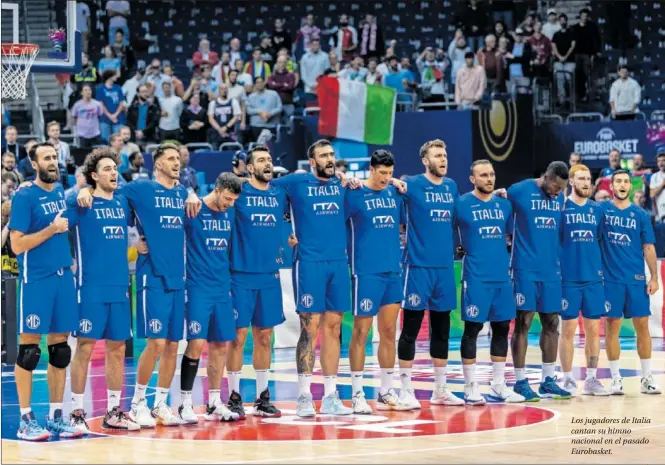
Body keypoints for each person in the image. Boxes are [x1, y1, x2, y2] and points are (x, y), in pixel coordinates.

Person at [77, 143, 202, 427]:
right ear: (157, 164)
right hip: (152, 274)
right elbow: (104, 194)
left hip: (178, 276)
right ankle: (138, 402)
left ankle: (160, 403)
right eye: (170, 159)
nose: (176, 163)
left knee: (173, 344)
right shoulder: (139, 188)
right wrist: (84, 188)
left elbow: (194, 200)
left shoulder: (184, 193)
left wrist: (193, 192)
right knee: (155, 342)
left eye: (178, 159)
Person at [272, 139, 353, 416]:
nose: (330, 159)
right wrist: (286, 237)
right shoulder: (295, 183)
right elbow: (262, 194)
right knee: (310, 328)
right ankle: (304, 396)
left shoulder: (341, 185)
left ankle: (331, 396)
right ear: (312, 161)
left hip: (338, 263)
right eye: (324, 156)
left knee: (334, 328)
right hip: (308, 262)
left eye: (332, 154)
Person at [8, 142, 81, 441]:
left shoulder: (62, 190)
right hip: (36, 280)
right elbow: (16, 245)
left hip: (64, 278)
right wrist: (52, 229)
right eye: (47, 158)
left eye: (55, 157)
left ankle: (55, 417)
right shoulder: (25, 195)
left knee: (60, 348)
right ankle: (26, 419)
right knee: (28, 350)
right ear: (34, 165)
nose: (53, 162)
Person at [67, 148, 139, 433]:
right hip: (91, 288)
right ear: (94, 175)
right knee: (84, 347)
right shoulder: (82, 201)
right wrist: (78, 192)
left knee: (118, 349)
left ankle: (113, 411)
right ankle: (75, 413)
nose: (113, 173)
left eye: (115, 169)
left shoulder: (122, 202)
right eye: (107, 169)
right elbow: (60, 210)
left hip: (120, 287)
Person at [165, 172, 242, 423]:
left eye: (233, 200)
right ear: (217, 189)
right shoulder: (193, 209)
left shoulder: (230, 211)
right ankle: (185, 403)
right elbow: (163, 225)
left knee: (220, 345)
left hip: (222, 287)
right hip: (197, 286)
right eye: (228, 198)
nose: (230, 204)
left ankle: (213, 402)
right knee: (196, 343)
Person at [398, 139, 464, 409]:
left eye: (445, 154)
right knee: (411, 329)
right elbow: (391, 187)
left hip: (445, 269)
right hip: (417, 267)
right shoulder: (411, 184)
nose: (443, 159)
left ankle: (440, 390)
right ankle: (405, 389)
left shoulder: (451, 187)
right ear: (426, 161)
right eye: (438, 155)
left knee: (442, 330)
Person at [344, 150, 409, 413]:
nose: (386, 177)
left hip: (392, 272)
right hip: (365, 272)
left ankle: (386, 391)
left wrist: (396, 182)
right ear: (371, 169)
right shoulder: (355, 193)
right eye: (382, 172)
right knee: (361, 332)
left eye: (390, 173)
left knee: (389, 332)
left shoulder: (394, 193)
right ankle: (358, 393)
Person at [456, 160, 524, 404]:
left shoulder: (504, 205)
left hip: (501, 278)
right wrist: (456, 247)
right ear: (472, 179)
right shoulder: (461, 203)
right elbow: (443, 229)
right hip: (475, 277)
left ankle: (498, 384)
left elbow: (507, 236)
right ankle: (470, 386)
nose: (489, 178)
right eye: (483, 175)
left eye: (492, 174)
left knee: (502, 329)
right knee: (472, 330)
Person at [226, 146, 287, 419]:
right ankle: (233, 397)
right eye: (261, 160)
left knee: (265, 337)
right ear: (249, 168)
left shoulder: (280, 192)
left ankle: (262, 398)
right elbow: (212, 202)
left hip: (270, 276)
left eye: (270, 159)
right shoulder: (238, 192)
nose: (267, 163)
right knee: (237, 337)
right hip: (240, 275)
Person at [508, 161, 572, 401]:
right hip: (524, 268)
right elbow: (496, 202)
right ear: (546, 176)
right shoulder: (519, 190)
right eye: (554, 186)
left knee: (552, 323)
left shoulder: (559, 198)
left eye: (560, 189)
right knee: (523, 322)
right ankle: (520, 381)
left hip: (551, 271)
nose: (556, 192)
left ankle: (547, 380)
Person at [600, 170, 661, 395]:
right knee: (612, 326)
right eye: (618, 181)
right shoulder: (602, 211)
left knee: (642, 327)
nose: (622, 184)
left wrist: (654, 277)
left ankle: (647, 377)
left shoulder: (640, 214)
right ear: (612, 186)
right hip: (611, 280)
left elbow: (649, 247)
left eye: (626, 181)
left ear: (630, 186)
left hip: (635, 279)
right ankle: (616, 379)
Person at [558, 164, 609, 396]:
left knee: (593, 329)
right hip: (568, 279)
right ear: (571, 181)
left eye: (589, 179)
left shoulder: (597, 210)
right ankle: (568, 379)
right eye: (581, 179)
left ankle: (591, 379)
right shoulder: (560, 207)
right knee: (567, 329)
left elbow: (600, 241)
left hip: (593, 279)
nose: (586, 182)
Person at [97, 70, 127, 143]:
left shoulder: (118, 88)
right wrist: (110, 116)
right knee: (105, 140)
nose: (117, 77)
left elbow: (121, 103)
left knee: (118, 140)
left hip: (118, 118)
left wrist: (115, 115)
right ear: (110, 77)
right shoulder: (100, 89)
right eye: (115, 75)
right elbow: (101, 104)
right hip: (104, 119)